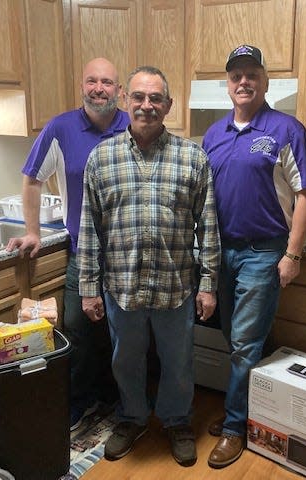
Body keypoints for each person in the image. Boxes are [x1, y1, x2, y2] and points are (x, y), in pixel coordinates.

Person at [77, 65, 220, 467]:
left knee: (178, 363)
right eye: (138, 97)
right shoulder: (101, 158)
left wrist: (208, 283)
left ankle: (176, 421)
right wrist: (89, 286)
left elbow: (208, 226)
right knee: (126, 360)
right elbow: (90, 228)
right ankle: (133, 417)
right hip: (121, 286)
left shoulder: (193, 158)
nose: (146, 105)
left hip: (176, 287)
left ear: (168, 105)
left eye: (155, 98)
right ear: (126, 101)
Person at [202, 44, 306, 468]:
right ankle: (254, 413)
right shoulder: (213, 135)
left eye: (251, 74)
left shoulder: (287, 130)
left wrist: (293, 253)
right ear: (228, 85)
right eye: (236, 76)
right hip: (223, 251)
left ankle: (234, 428)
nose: (243, 82)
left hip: (263, 253)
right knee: (238, 340)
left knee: (245, 345)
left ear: (265, 81)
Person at [6, 58, 130, 432]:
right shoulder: (60, 128)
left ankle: (117, 399)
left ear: (118, 90)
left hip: (127, 254)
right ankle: (79, 401)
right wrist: (33, 232)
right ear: (81, 85)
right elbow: (32, 180)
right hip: (82, 252)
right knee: (77, 329)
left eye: (106, 82)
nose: (98, 88)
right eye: (91, 81)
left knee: (122, 332)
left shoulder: (134, 125)